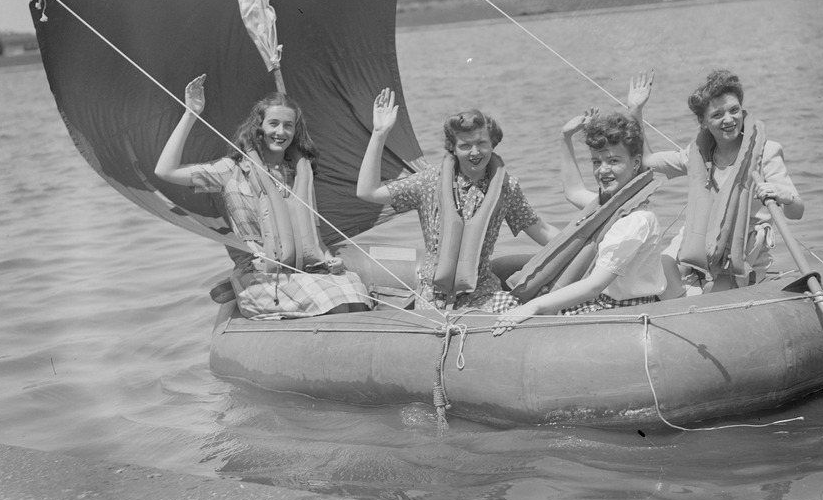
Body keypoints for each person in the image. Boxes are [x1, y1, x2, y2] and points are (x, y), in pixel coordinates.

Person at [155, 74, 371, 319]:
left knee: (355, 293)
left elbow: (312, 237)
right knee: (337, 305)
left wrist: (332, 261)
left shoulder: (299, 173)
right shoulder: (231, 170)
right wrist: (190, 113)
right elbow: (165, 171)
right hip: (258, 276)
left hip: (301, 270)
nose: (281, 132)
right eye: (273, 124)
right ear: (259, 127)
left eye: (288, 125)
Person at [356, 88, 561, 313]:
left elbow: (540, 230)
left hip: (483, 293)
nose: (475, 152)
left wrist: (590, 247)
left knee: (515, 314)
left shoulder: (506, 188)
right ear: (452, 148)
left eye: (482, 143)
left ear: (493, 144)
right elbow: (369, 192)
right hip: (433, 296)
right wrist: (379, 133)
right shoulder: (429, 181)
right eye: (465, 146)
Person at [628, 69, 803, 293]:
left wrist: (783, 196)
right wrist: (635, 110)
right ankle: (683, 304)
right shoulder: (698, 154)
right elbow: (647, 161)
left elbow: (797, 212)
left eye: (734, 110)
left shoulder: (767, 152)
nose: (728, 120)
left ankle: (693, 302)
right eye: (717, 115)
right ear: (703, 122)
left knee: (715, 295)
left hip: (742, 252)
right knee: (662, 269)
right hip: (699, 237)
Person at [493, 111, 667, 334]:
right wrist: (565, 138)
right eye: (597, 161)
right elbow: (573, 191)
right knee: (501, 295)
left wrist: (533, 307)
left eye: (613, 161)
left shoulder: (636, 220)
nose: (603, 170)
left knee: (515, 307)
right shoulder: (610, 206)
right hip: (600, 300)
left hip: (617, 308)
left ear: (635, 163)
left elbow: (594, 286)